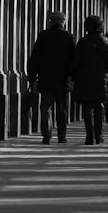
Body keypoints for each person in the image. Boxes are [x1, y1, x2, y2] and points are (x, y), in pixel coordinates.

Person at [26, 10, 76, 144]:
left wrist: (32, 78)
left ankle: (47, 135)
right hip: (62, 80)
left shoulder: (44, 36)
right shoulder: (68, 37)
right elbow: (74, 60)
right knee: (61, 109)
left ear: (51, 21)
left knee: (46, 108)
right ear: (63, 22)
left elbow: (34, 58)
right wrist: (72, 77)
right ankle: (61, 136)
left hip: (46, 79)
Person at [69, 15, 108, 145]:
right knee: (99, 107)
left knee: (87, 108)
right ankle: (99, 135)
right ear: (101, 27)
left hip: (84, 79)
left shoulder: (82, 42)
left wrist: (73, 75)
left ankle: (89, 136)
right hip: (102, 80)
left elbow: (75, 63)